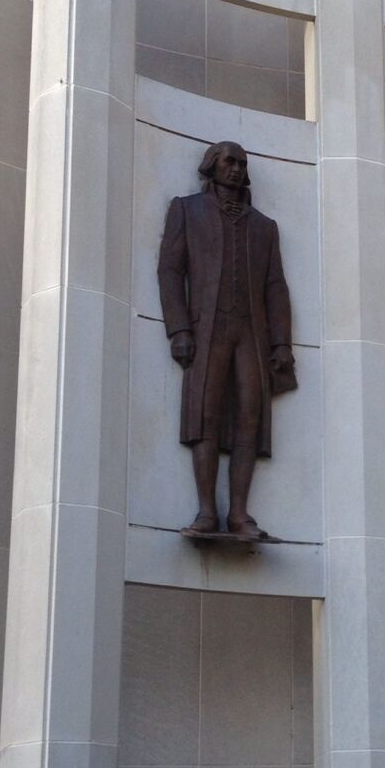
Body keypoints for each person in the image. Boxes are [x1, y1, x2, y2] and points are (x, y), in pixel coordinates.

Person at [157, 141, 295, 539]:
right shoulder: (187, 210)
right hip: (206, 329)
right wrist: (179, 328)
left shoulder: (264, 226)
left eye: (241, 163)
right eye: (228, 161)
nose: (235, 169)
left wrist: (281, 344)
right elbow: (170, 271)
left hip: (251, 333)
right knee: (206, 415)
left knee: (251, 417)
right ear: (212, 167)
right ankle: (205, 512)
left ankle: (239, 514)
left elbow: (276, 288)